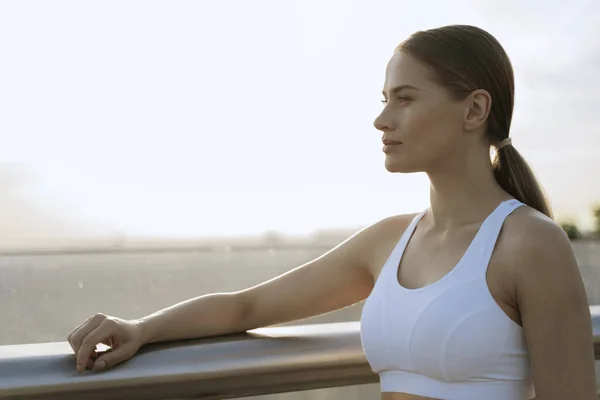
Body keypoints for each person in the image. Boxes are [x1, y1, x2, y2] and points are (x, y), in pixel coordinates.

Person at [67, 25, 597, 399]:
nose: (381, 119)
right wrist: (141, 328)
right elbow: (246, 308)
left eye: (405, 98)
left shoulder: (530, 244)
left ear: (474, 109)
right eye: (385, 97)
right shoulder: (388, 241)